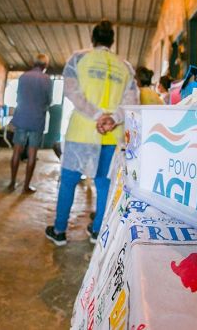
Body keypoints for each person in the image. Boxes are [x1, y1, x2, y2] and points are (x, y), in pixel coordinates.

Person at [45, 20, 138, 246]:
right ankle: (97, 232)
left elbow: (71, 91)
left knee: (68, 181)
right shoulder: (125, 66)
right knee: (104, 184)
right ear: (112, 42)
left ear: (93, 39)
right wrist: (112, 119)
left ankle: (59, 231)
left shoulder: (78, 59)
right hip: (111, 134)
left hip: (82, 133)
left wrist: (97, 115)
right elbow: (131, 101)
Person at [8, 53, 52, 193]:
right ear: (45, 65)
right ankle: (26, 186)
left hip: (21, 117)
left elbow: (18, 97)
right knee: (32, 153)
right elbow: (48, 101)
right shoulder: (47, 79)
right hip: (36, 120)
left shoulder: (23, 77)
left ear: (33, 63)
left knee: (16, 152)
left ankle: (12, 183)